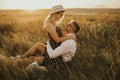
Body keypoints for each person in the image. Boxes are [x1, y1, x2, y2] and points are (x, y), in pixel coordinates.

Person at [11, 5, 76, 71]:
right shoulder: (49, 24)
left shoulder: (54, 23)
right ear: (55, 14)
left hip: (55, 48)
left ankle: (19, 58)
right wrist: (70, 37)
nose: (61, 17)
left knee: (37, 48)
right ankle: (13, 61)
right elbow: (57, 40)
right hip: (53, 48)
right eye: (61, 15)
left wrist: (68, 34)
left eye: (62, 15)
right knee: (34, 58)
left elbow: (60, 34)